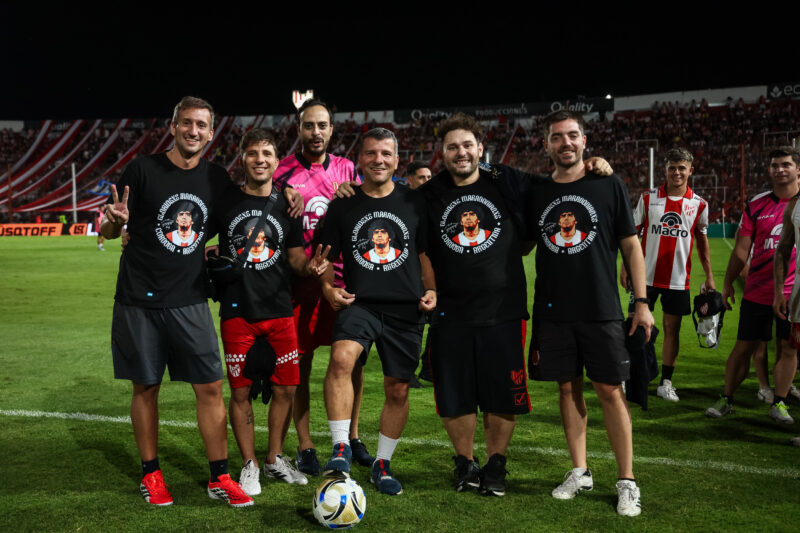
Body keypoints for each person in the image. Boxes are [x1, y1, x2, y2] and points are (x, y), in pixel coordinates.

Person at [101, 96, 254, 508]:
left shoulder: (216, 178)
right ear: (173, 127)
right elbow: (110, 229)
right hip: (139, 298)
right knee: (146, 387)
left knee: (210, 386)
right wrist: (114, 223)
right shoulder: (143, 170)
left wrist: (287, 193)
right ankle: (151, 475)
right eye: (186, 122)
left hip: (190, 298)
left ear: (211, 132)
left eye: (201, 125)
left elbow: (242, 213)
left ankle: (219, 476)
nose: (193, 130)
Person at [528, 109, 653, 517]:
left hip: (601, 308)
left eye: (572, 135)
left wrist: (641, 302)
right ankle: (580, 471)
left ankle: (627, 480)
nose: (565, 142)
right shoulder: (538, 191)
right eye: (557, 137)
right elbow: (523, 242)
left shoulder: (608, 183)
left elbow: (631, 245)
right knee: (567, 390)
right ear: (546, 145)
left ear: (584, 140)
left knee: (610, 391)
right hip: (552, 309)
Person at [213, 128, 330, 495]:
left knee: (286, 388)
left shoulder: (286, 204)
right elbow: (198, 236)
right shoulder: (226, 200)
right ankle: (249, 464)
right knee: (241, 391)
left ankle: (274, 457)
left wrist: (311, 267)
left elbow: (295, 258)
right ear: (242, 159)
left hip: (280, 309)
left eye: (266, 153)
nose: (259, 159)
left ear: (277, 161)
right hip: (237, 310)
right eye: (252, 153)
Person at [319, 128, 436, 495]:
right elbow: (323, 257)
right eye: (371, 153)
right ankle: (341, 447)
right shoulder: (344, 203)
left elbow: (424, 254)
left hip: (406, 308)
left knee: (397, 389)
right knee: (342, 358)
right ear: (360, 160)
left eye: (386, 154)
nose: (378, 160)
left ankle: (382, 464)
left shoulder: (415, 202)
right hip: (361, 303)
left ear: (397, 161)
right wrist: (328, 288)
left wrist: (432, 289)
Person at [421, 113, 532, 497]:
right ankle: (465, 463)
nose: (461, 152)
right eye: (452, 146)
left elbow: (552, 190)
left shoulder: (506, 182)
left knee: (502, 393)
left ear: (481, 148)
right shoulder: (430, 193)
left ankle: (496, 464)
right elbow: (421, 247)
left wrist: (595, 165)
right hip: (450, 311)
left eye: (468, 145)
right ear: (442, 152)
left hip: (504, 309)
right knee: (456, 394)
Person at [273, 99, 372, 475]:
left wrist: (356, 192)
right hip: (298, 283)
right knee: (299, 365)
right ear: (298, 129)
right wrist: (280, 193)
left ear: (332, 130)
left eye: (322, 125)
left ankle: (352, 436)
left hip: (344, 280)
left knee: (352, 362)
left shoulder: (348, 169)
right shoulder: (281, 172)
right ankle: (305, 444)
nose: (316, 132)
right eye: (309, 125)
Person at [706, 146, 800, 424]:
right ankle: (726, 397)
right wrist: (727, 284)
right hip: (758, 290)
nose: (780, 170)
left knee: (788, 348)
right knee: (744, 347)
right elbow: (740, 250)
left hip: (794, 293)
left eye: (786, 164)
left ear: (798, 169)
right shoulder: (757, 205)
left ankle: (780, 402)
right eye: (775, 165)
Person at [620, 148, 714, 402]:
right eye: (672, 167)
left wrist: (709, 276)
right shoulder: (648, 198)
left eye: (682, 168)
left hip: (677, 279)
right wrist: (625, 266)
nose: (677, 172)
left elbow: (702, 242)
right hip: (644, 277)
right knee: (634, 326)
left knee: (673, 329)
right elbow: (631, 234)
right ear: (665, 169)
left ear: (690, 170)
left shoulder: (699, 204)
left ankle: (666, 382)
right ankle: (629, 378)